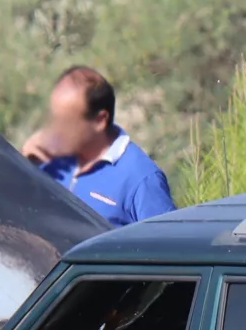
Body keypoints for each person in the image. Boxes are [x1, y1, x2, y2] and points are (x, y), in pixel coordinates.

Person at [21, 65, 176, 224]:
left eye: (66, 122)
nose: (55, 130)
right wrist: (21, 164)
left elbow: (167, 245)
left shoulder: (141, 179)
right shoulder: (48, 160)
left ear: (100, 120)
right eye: (55, 119)